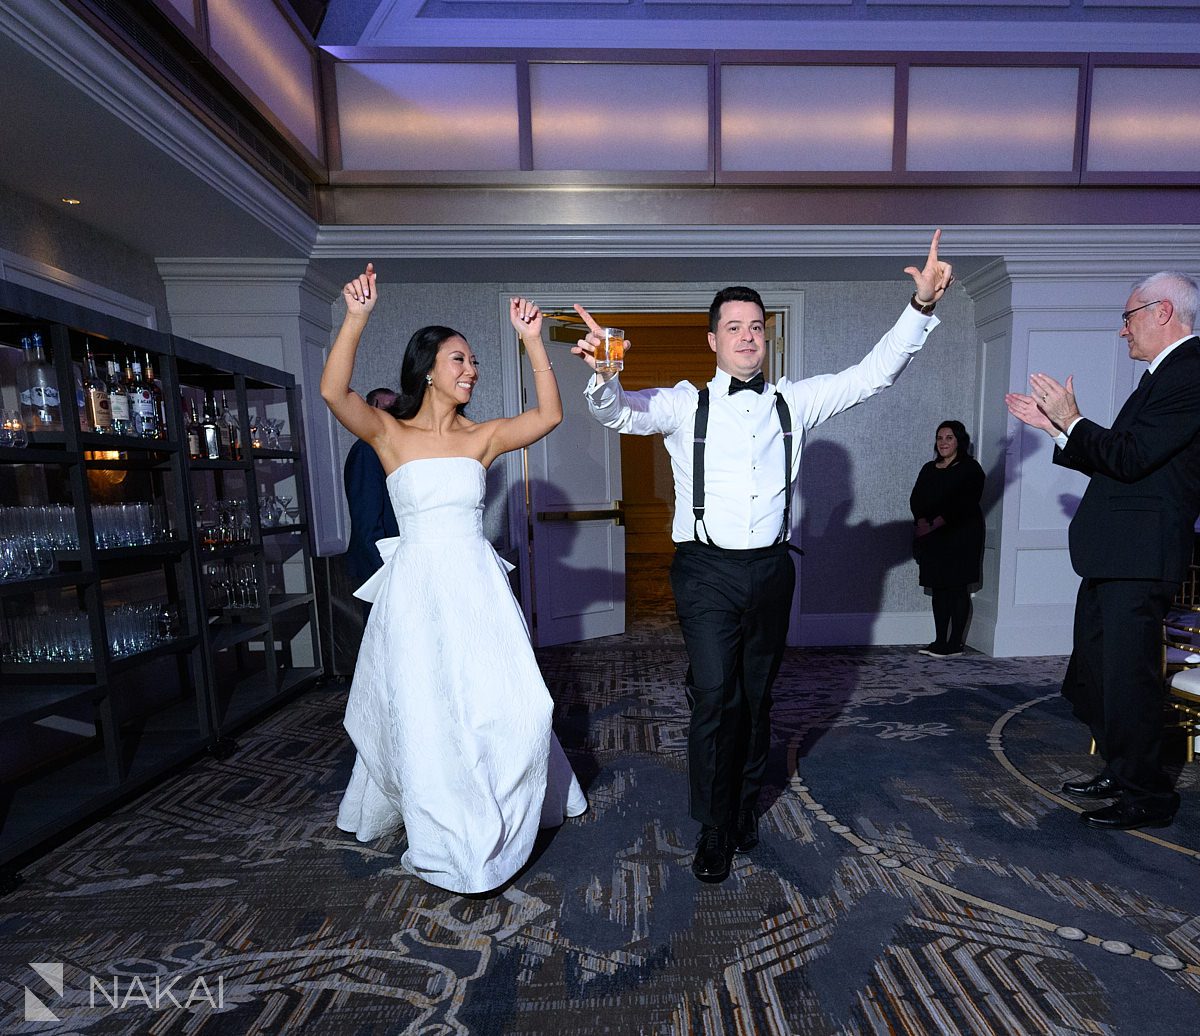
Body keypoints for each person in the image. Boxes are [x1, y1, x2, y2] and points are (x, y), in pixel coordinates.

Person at [572, 231, 953, 882]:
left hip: (772, 570)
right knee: (714, 697)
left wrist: (919, 308)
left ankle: (745, 804)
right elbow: (620, 414)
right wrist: (606, 372)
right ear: (712, 341)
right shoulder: (683, 404)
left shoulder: (793, 403)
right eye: (734, 327)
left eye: (756, 326)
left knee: (756, 698)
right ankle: (713, 825)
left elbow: (874, 375)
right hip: (705, 572)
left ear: (765, 337)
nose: (747, 336)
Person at [320, 263, 587, 893]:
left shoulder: (482, 438)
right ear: (428, 370)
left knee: (508, 701)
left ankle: (507, 795)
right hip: (415, 591)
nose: (471, 370)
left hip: (475, 588)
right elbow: (334, 393)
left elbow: (550, 415)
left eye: (473, 361)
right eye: (459, 359)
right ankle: (445, 825)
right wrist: (356, 318)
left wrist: (533, 341)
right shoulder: (389, 433)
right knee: (426, 707)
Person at [1005, 271, 1200, 831]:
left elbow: (1130, 457)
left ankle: (1147, 795)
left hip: (1141, 556)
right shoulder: (1163, 375)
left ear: (1162, 312)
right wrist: (1058, 429)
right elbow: (1120, 460)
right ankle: (1122, 768)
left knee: (1129, 679)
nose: (1122, 330)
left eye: (1128, 316)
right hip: (1117, 554)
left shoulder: (1191, 371)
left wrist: (1072, 419)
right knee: (1097, 672)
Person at [909, 420, 985, 658]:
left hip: (961, 536)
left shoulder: (971, 468)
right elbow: (916, 499)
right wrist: (922, 522)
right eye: (940, 438)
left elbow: (964, 503)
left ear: (959, 441)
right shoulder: (928, 469)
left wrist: (935, 524)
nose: (943, 442)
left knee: (957, 587)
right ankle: (940, 640)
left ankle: (954, 644)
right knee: (938, 587)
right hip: (932, 538)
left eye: (949, 438)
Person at [343, 387, 399, 620]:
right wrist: (384, 571)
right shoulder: (366, 450)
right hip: (380, 566)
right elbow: (366, 520)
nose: (393, 414)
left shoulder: (387, 448)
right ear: (372, 409)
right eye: (387, 408)